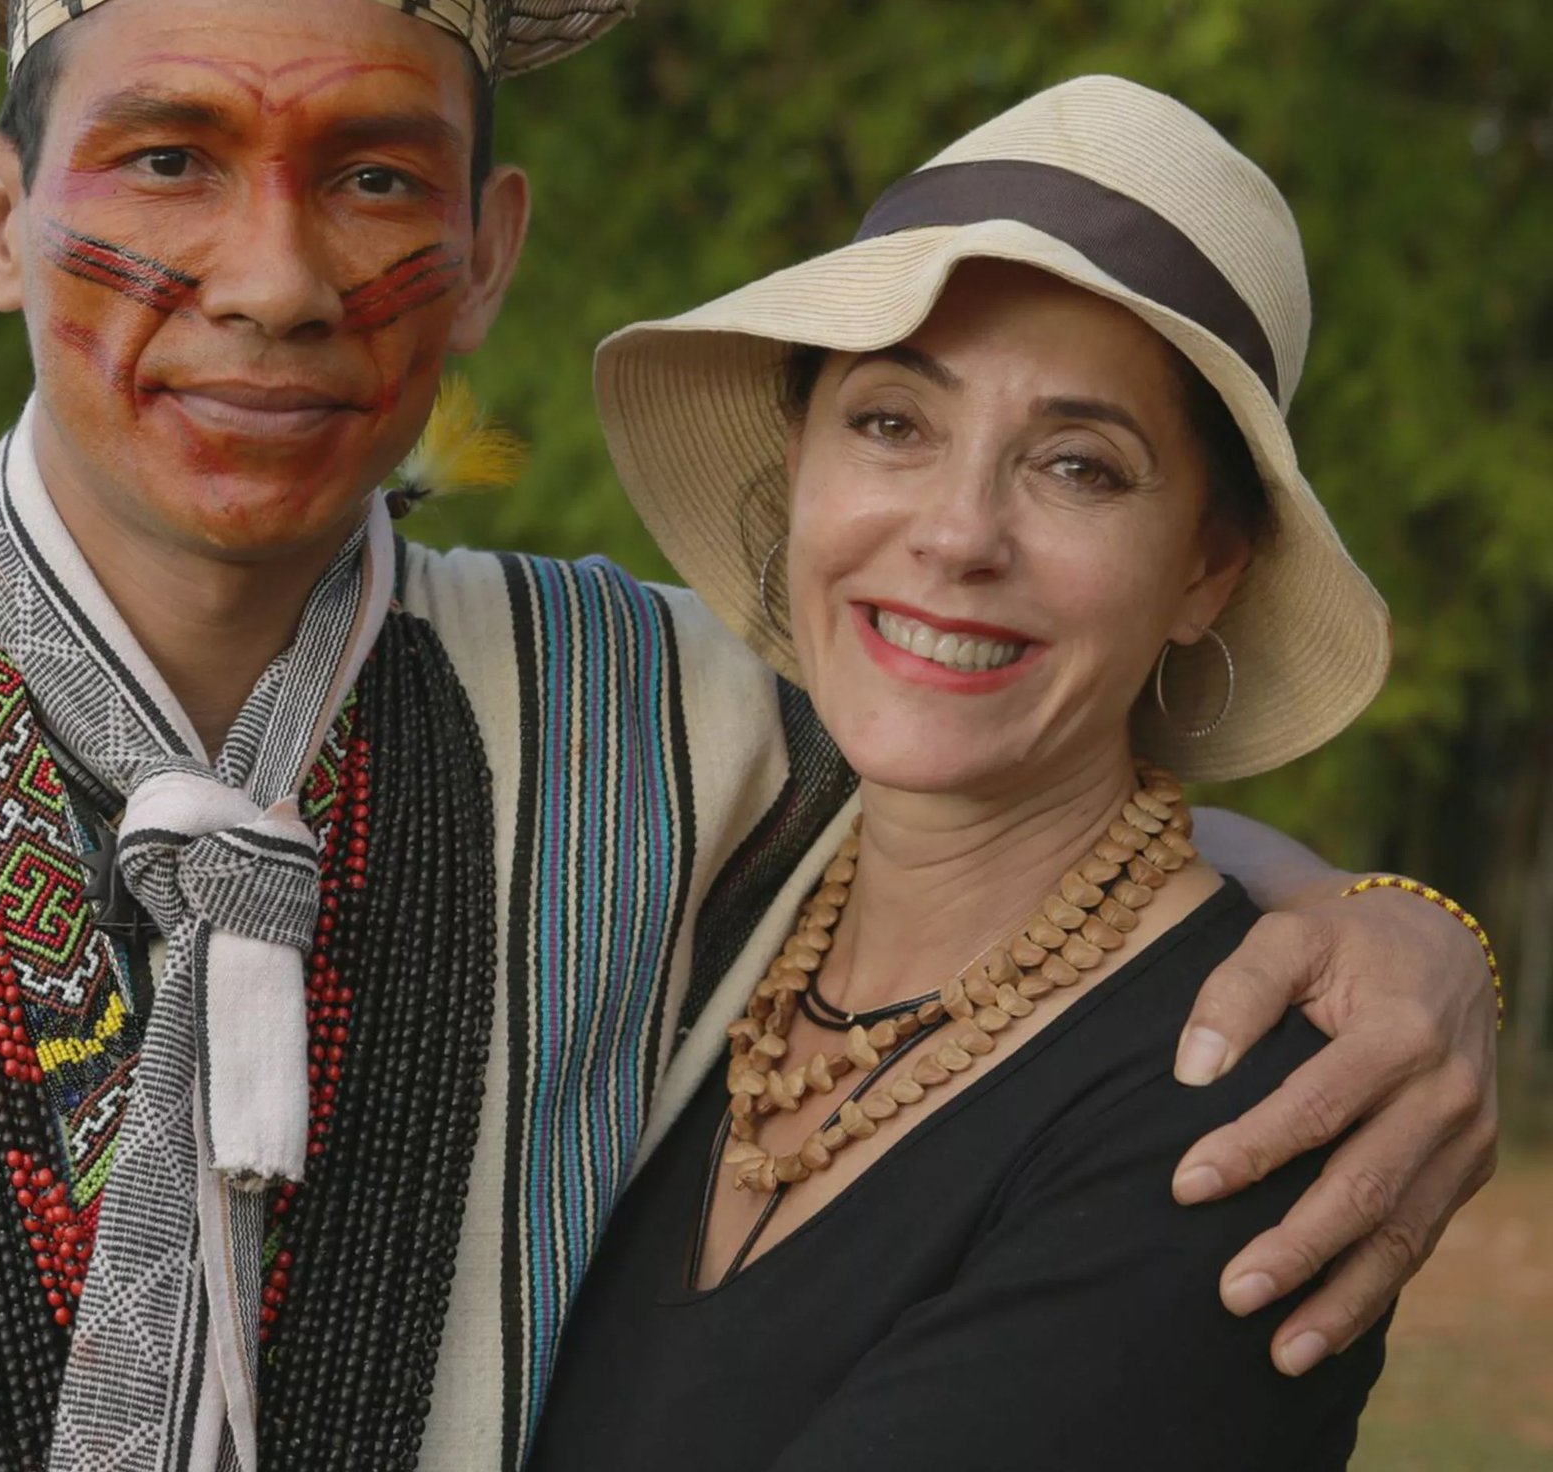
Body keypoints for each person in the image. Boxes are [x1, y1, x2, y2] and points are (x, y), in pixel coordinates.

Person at [0, 0, 1497, 1469]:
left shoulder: (642, 731)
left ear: (484, 250)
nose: (272, 279)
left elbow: (1043, 833)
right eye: (166, 162)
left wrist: (1396, 935)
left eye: (373, 178)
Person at [516, 75, 1417, 1468]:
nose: (957, 535)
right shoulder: (671, 942)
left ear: (1207, 567)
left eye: (1078, 466)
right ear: (800, 462)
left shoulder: (1239, 1120)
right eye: (892, 422)